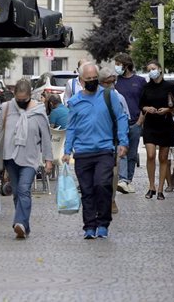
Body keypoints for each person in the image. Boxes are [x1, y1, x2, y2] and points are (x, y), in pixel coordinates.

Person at [63, 63, 128, 239]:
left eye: (94, 79)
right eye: (88, 79)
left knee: (102, 185)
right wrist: (67, 150)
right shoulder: (75, 101)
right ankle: (89, 227)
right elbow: (71, 128)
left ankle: (103, 223)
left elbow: (121, 118)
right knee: (87, 190)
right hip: (83, 152)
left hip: (105, 150)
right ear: (81, 80)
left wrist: (123, 142)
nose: (92, 82)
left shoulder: (108, 96)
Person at [0, 79, 53, 239]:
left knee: (24, 189)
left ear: (30, 96)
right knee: (17, 192)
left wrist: (48, 159)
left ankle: (19, 223)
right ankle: (24, 226)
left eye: (24, 100)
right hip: (11, 156)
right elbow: (1, 132)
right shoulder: (7, 108)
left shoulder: (38, 111)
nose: (21, 103)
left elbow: (46, 136)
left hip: (30, 157)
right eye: (19, 99)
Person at [140, 60, 174, 200]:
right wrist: (147, 108)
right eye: (149, 69)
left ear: (159, 69)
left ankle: (159, 189)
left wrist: (168, 109)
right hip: (150, 125)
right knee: (151, 155)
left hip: (165, 124)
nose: (151, 71)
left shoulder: (169, 87)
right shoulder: (146, 87)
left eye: (153, 68)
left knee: (163, 157)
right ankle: (151, 186)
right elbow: (141, 105)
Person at [98, 65, 131, 215]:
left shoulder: (119, 98)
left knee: (113, 172)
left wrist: (123, 141)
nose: (111, 85)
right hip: (96, 141)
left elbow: (125, 119)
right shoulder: (92, 98)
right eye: (107, 82)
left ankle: (111, 200)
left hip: (113, 142)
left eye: (113, 81)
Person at [113, 52, 147, 194]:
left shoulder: (140, 81)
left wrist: (140, 121)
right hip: (120, 123)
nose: (116, 67)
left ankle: (128, 180)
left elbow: (145, 102)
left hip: (135, 122)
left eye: (118, 64)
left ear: (126, 66)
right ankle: (123, 180)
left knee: (132, 153)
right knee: (122, 152)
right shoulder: (115, 81)